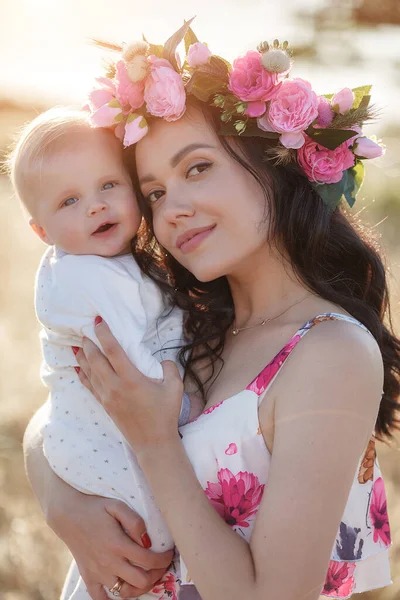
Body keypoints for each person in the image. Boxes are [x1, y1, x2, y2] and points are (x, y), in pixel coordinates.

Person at [24, 22, 399, 600]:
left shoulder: (329, 352)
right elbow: (60, 410)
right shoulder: (194, 320)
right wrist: (61, 502)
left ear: (275, 164)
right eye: (152, 192)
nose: (172, 209)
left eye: (196, 167)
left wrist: (155, 444)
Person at [8, 108, 204, 600]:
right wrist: (187, 405)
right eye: (70, 200)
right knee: (142, 535)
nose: (95, 207)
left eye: (108, 186)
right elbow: (139, 369)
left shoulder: (115, 264)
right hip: (100, 440)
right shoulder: (85, 277)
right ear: (41, 232)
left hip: (94, 441)